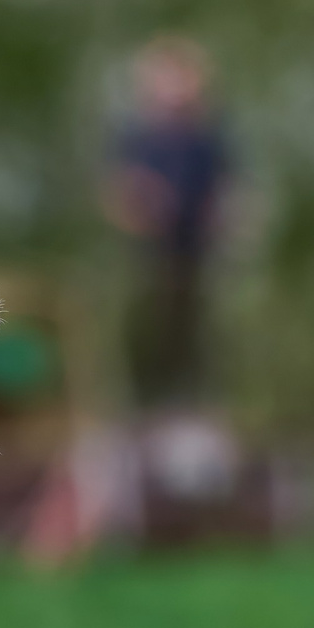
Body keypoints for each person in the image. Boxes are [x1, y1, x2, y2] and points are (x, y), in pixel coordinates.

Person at [102, 37, 232, 410]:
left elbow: (227, 188)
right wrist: (141, 205)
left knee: (193, 331)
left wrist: (221, 216)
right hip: (146, 255)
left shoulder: (208, 136)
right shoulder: (136, 135)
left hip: (195, 253)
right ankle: (141, 399)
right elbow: (118, 190)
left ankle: (192, 400)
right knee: (145, 327)